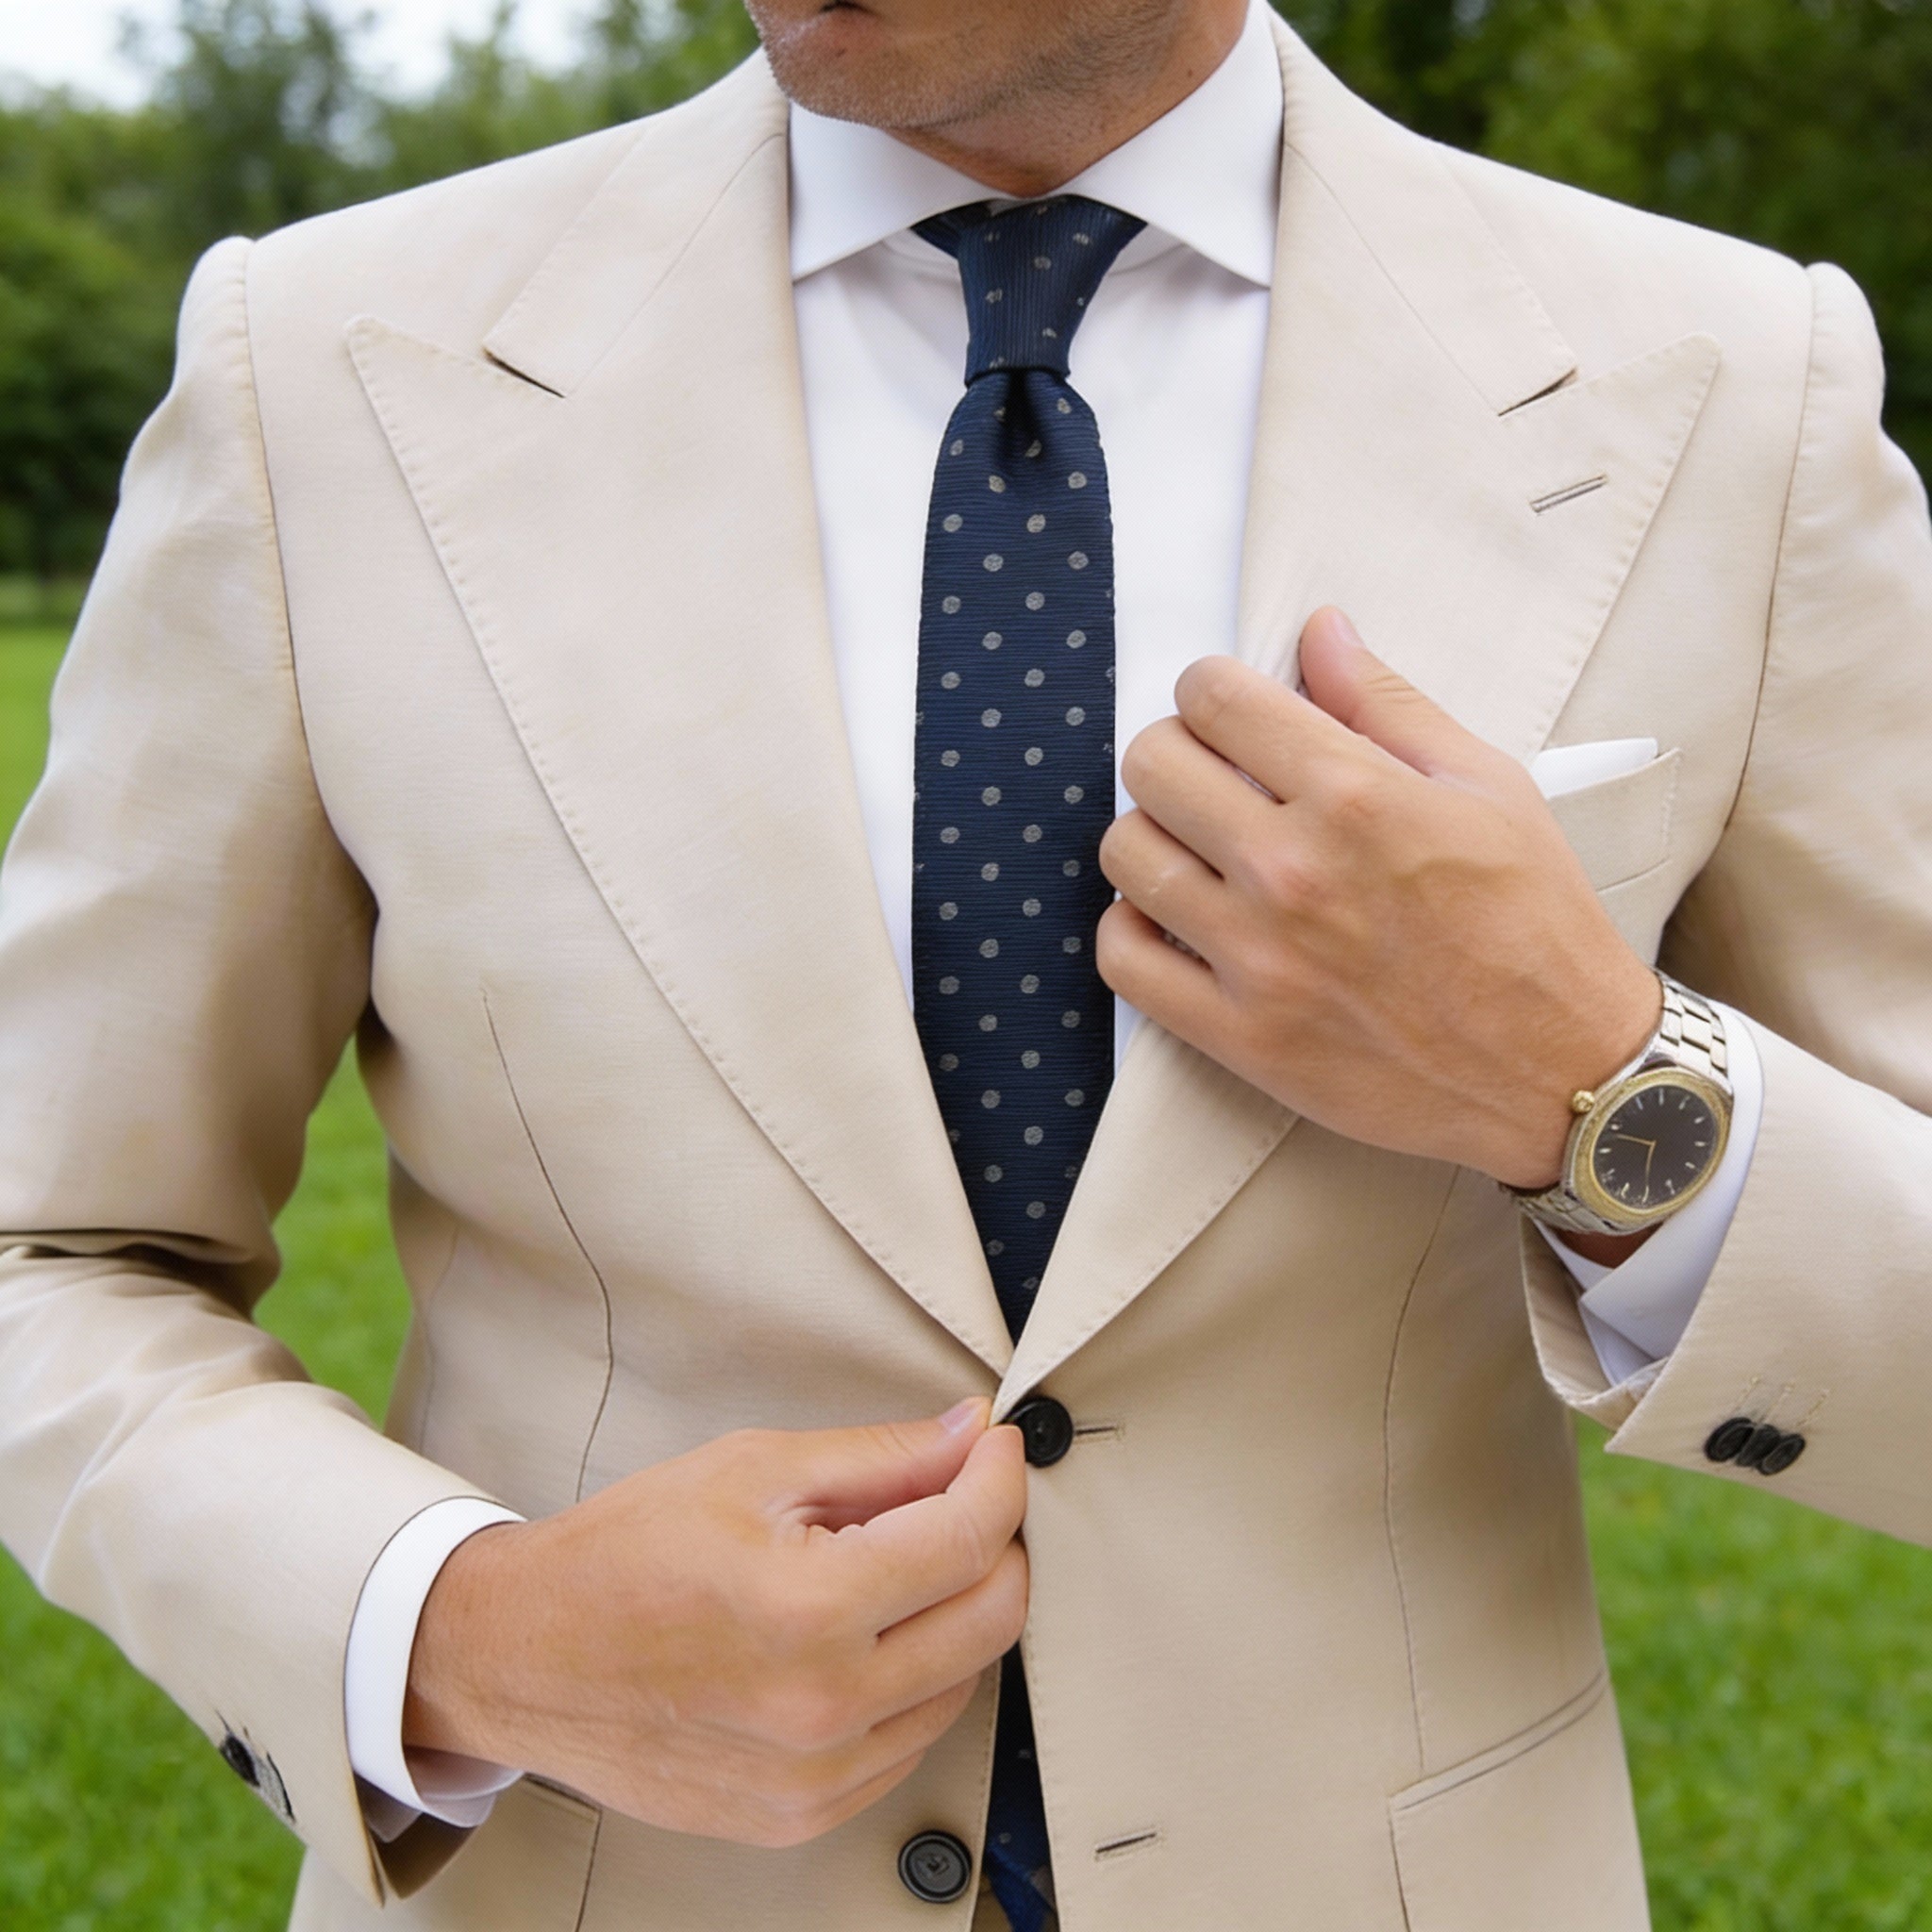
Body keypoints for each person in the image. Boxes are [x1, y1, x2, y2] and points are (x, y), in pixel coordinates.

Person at [1, 0, 1928, 1924]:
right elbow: (51, 1244)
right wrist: (460, 1631)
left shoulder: (1733, 389)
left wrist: (1596, 1084)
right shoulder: (317, 372)